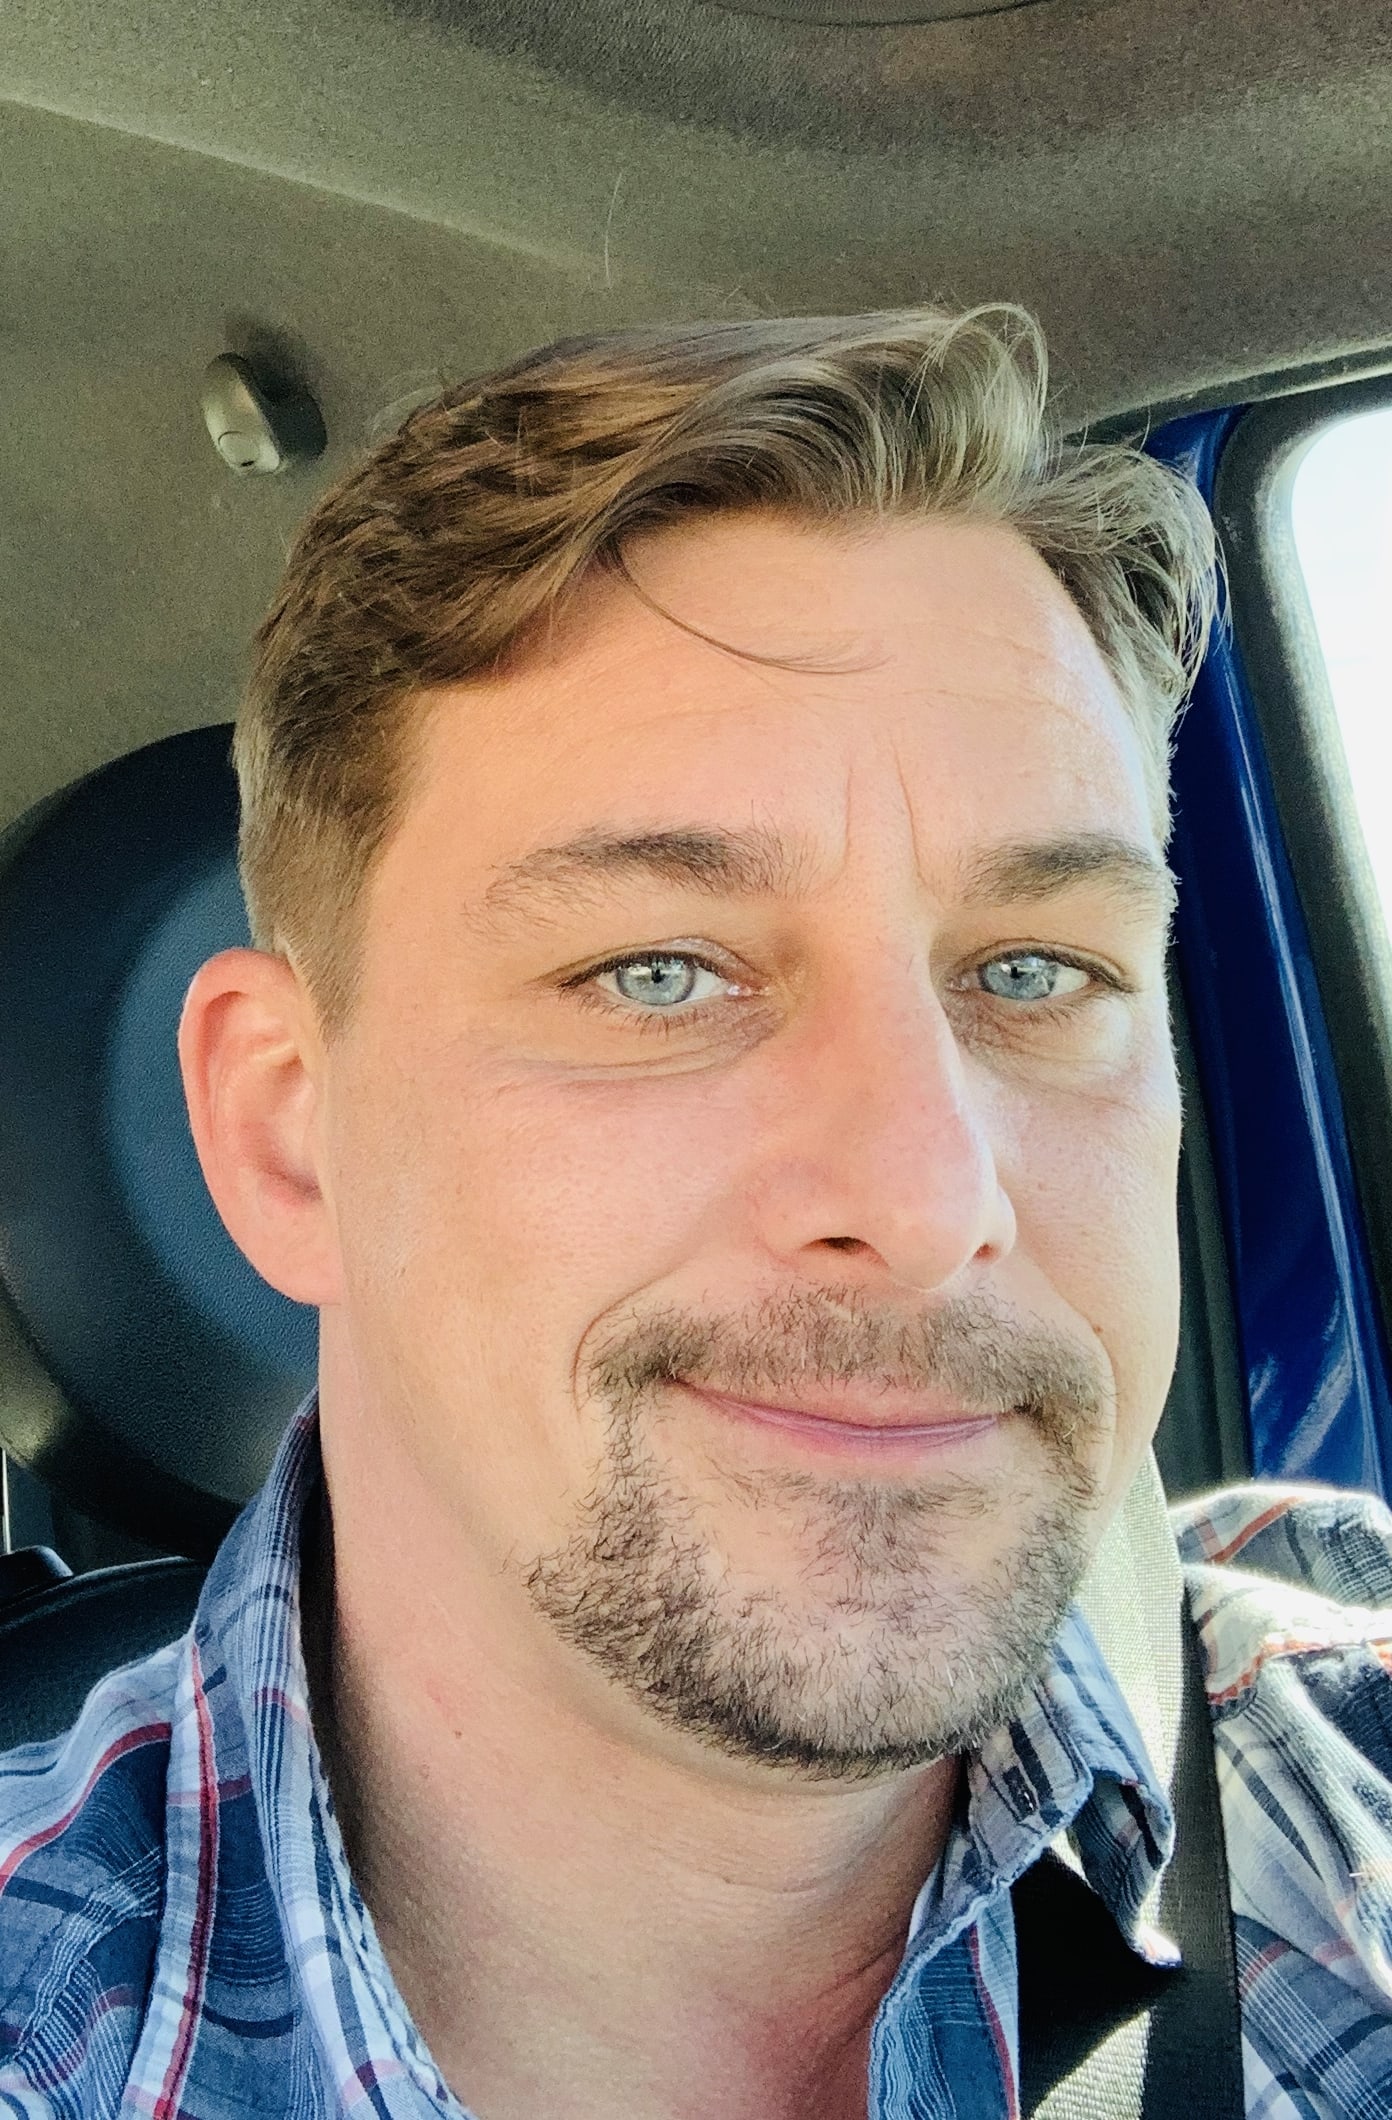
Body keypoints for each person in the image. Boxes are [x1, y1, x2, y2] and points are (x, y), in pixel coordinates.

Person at [2, 305, 1391, 2120]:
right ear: (288, 1136)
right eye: (658, 973)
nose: (927, 1201)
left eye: (1036, 971)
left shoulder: (1338, 1767)